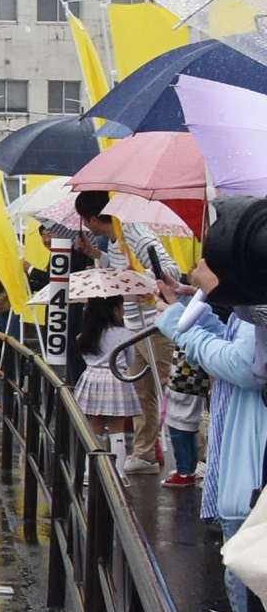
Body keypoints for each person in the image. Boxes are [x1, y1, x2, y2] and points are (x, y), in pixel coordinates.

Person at [153, 266, 267, 612]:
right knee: (243, 562)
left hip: (253, 451)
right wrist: (197, 305)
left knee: (248, 565)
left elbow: (246, 366)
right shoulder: (250, 303)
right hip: (243, 444)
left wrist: (185, 324)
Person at [75, 189, 181, 474]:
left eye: (84, 218)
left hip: (155, 326)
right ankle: (145, 454)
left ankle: (188, 458)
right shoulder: (114, 240)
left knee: (171, 391)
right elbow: (121, 273)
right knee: (143, 393)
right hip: (135, 328)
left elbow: (170, 271)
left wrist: (139, 280)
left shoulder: (135, 233)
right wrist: (97, 255)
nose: (84, 225)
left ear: (95, 217)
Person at [72, 296, 139, 454]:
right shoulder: (126, 334)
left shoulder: (85, 336)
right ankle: (118, 473)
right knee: (117, 429)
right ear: (115, 310)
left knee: (94, 426)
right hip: (116, 379)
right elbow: (130, 360)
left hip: (90, 379)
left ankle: (91, 471)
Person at [162, 351, 210, 490]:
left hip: (185, 377)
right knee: (188, 428)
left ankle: (184, 472)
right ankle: (188, 470)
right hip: (195, 378)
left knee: (179, 427)